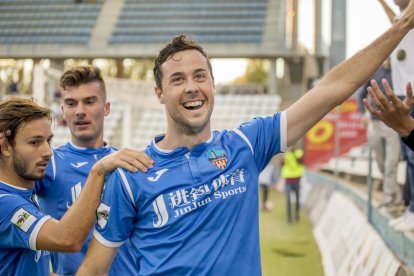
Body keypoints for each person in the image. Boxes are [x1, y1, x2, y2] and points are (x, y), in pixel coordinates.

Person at [78, 4, 414, 273]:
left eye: (200, 76)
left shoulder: (245, 145)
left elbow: (329, 91)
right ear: (159, 94)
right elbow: (93, 270)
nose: (192, 86)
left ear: (213, 84)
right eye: (177, 79)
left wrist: (401, 28)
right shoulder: (130, 175)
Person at [0, 97, 150, 275]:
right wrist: (98, 172)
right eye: (34, 142)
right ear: (5, 146)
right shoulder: (5, 203)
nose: (48, 152)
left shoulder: (23, 197)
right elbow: (65, 239)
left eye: (48, 141)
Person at [34, 65, 153, 275]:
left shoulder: (128, 163)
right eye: (71, 103)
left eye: (89, 102)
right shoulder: (48, 162)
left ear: (106, 108)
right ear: (63, 111)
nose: (80, 111)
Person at [378, 0, 414, 231]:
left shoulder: (409, 17)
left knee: (412, 157)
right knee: (408, 158)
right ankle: (410, 208)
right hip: (402, 94)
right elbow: (394, 18)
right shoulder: (401, 20)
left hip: (412, 92)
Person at [364, 79, 414, 232]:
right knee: (407, 161)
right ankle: (409, 208)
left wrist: (408, 130)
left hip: (398, 123)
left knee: (396, 163)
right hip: (382, 123)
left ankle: (398, 204)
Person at [358, 59, 402, 209]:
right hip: (375, 122)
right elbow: (361, 95)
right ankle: (396, 194)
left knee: (391, 163)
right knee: (381, 164)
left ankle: (389, 198)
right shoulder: (374, 72)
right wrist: (362, 113)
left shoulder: (399, 71)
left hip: (393, 124)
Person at [281, 144, 305, 223]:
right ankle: (289, 218)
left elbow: (301, 162)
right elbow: (282, 164)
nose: (292, 147)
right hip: (288, 181)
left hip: (297, 181)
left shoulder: (299, 153)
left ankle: (297, 214)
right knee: (288, 200)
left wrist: (294, 154)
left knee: (297, 200)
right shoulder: (286, 154)